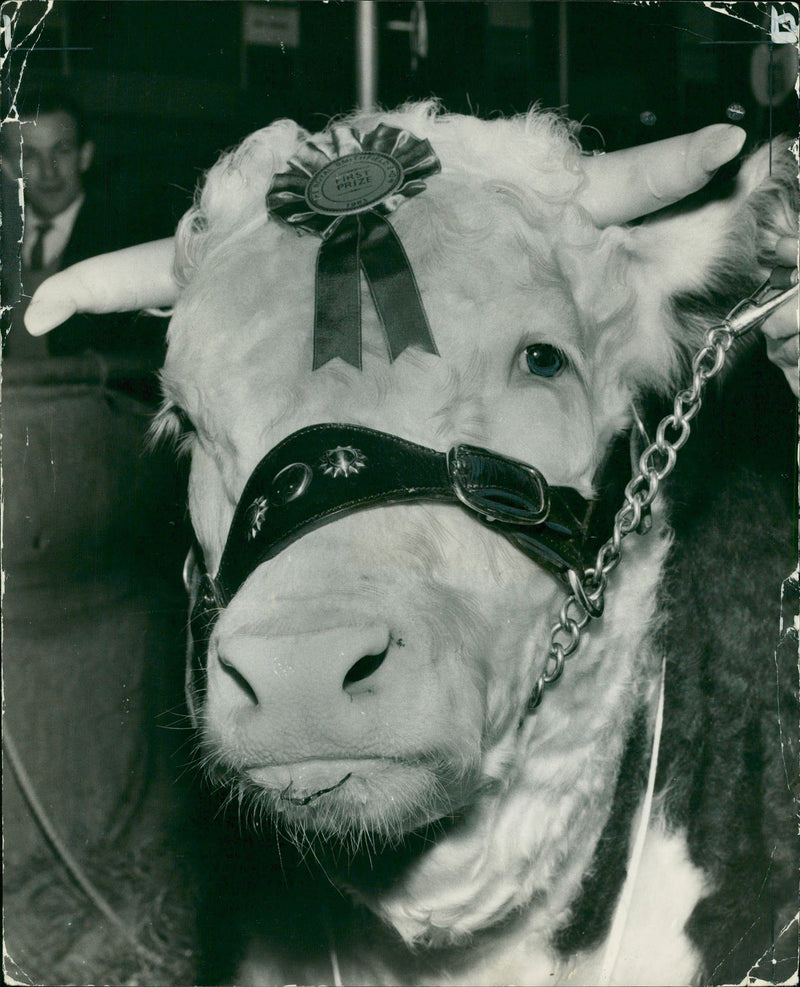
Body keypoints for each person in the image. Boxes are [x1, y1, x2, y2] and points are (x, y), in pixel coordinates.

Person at [1, 88, 164, 359]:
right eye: (29, 155)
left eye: (61, 151)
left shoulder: (127, 235)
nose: (48, 171)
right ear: (8, 167)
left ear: (84, 156)